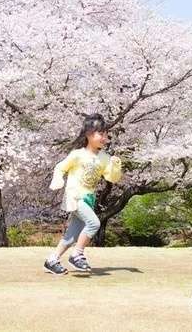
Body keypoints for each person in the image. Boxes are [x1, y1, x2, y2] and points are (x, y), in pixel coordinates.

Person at [44, 114, 122, 275]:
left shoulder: (104, 158)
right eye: (100, 133)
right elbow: (60, 167)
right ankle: (77, 255)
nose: (104, 137)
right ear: (88, 134)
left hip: (88, 199)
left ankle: (52, 260)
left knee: (72, 236)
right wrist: (57, 180)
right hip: (75, 196)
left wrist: (115, 166)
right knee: (94, 223)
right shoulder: (77, 154)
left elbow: (111, 178)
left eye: (106, 134)